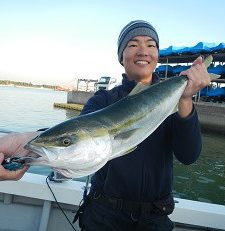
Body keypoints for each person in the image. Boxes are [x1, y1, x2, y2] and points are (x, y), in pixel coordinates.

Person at [0, 20, 210, 230]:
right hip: (103, 217)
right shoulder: (102, 100)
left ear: (157, 55)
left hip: (155, 220)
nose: (143, 51)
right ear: (121, 56)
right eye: (133, 44)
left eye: (151, 45)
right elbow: (77, 133)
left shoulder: (173, 101)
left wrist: (185, 99)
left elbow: (189, 156)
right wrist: (23, 141)